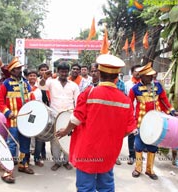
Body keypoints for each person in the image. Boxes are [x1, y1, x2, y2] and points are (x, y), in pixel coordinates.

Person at [56, 54, 136, 192]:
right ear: (117, 76)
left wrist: (65, 131)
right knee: (106, 185)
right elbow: (130, 129)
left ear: (99, 73)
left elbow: (76, 119)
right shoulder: (125, 100)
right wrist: (114, 137)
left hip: (87, 150)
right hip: (109, 150)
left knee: (85, 187)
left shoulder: (89, 93)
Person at [129, 62, 178, 180]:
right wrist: (131, 123)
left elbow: (164, 101)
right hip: (141, 122)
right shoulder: (134, 89)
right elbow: (129, 105)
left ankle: (149, 170)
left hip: (156, 122)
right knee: (139, 146)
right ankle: (138, 168)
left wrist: (172, 111)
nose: (152, 77)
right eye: (149, 76)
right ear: (141, 77)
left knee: (153, 147)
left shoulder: (158, 86)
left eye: (152, 75)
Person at [0, 57, 35, 183]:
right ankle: (8, 170)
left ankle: (24, 165)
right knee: (11, 145)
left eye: (20, 68)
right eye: (18, 69)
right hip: (12, 121)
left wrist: (33, 117)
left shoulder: (25, 83)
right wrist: (7, 113)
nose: (20, 70)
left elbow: (31, 100)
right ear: (12, 71)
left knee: (25, 143)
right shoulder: (6, 84)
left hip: (25, 121)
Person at [39, 61, 80, 171]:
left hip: (69, 116)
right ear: (57, 71)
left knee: (68, 139)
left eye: (66, 72)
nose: (64, 74)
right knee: (55, 140)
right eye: (61, 71)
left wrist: (75, 116)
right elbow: (41, 86)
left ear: (68, 72)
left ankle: (66, 161)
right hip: (55, 115)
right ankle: (57, 161)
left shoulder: (74, 85)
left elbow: (78, 101)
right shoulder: (51, 82)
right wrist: (44, 77)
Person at [27, 69, 49, 167]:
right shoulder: (24, 86)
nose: (32, 77)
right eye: (30, 75)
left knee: (39, 138)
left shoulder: (40, 86)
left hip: (40, 114)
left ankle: (37, 158)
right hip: (30, 115)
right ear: (27, 77)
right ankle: (26, 159)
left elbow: (45, 99)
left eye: (34, 75)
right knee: (28, 136)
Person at [124, 64, 141, 165]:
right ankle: (131, 155)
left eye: (140, 71)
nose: (138, 73)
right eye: (136, 71)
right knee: (131, 134)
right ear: (132, 72)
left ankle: (138, 154)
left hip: (142, 114)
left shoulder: (146, 84)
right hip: (131, 113)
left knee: (141, 135)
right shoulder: (128, 84)